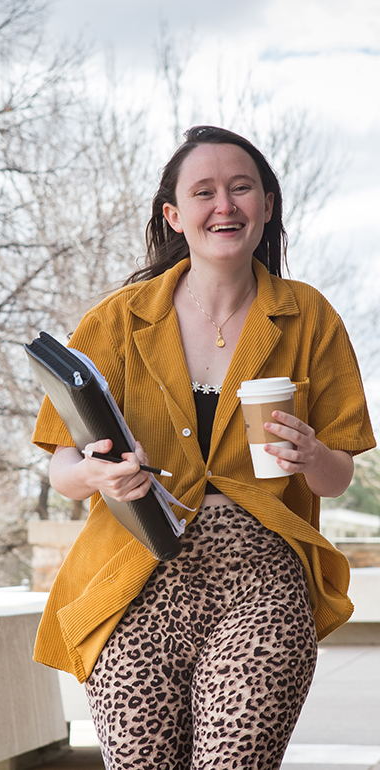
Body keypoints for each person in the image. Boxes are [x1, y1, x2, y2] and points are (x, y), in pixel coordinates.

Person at [31, 126, 375, 769]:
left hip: (261, 584)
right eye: (205, 191)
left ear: (267, 206)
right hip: (136, 578)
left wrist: (312, 456)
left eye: (242, 188)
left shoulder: (311, 316)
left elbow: (337, 475)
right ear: (174, 214)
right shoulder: (116, 320)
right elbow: (63, 468)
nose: (226, 205)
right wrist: (100, 477)